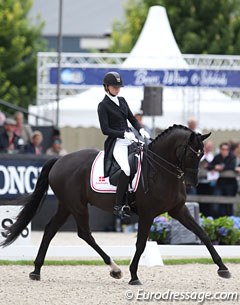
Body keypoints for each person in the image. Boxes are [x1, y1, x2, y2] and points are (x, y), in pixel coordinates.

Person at [97, 71, 150, 218]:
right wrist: (122, 134)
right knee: (126, 169)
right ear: (107, 87)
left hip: (130, 137)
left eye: (118, 87)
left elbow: (132, 118)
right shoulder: (103, 105)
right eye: (114, 87)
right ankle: (118, 205)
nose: (117, 89)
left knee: (145, 159)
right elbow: (105, 129)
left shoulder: (122, 100)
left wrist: (141, 129)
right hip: (117, 142)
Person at [208, 142, 237, 217]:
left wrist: (221, 167)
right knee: (216, 203)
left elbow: (232, 166)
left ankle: (230, 221)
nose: (225, 151)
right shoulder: (217, 157)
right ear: (220, 150)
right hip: (220, 183)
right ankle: (216, 220)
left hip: (230, 184)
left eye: (226, 149)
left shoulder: (232, 157)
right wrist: (214, 167)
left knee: (229, 205)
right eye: (223, 149)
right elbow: (209, 166)